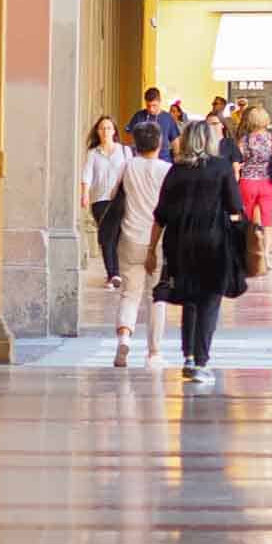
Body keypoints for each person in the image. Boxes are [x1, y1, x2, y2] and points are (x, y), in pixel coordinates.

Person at [146, 118, 244, 384]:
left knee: (189, 298)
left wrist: (151, 249)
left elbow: (161, 214)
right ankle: (201, 361)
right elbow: (236, 206)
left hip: (179, 244)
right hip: (213, 243)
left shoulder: (176, 171)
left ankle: (188, 357)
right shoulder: (222, 167)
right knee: (210, 301)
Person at [111, 119, 170, 367]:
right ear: (159, 143)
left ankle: (124, 337)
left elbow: (114, 196)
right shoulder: (166, 170)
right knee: (156, 296)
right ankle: (154, 352)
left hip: (130, 236)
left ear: (135, 143)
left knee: (130, 293)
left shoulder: (127, 166)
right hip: (157, 240)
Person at [236, 102, 272, 268]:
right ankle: (266, 255)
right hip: (267, 183)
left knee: (247, 220)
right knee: (267, 220)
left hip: (247, 182)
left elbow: (237, 162)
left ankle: (247, 253)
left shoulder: (244, 140)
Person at [80, 115, 129, 287]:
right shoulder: (93, 153)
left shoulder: (125, 151)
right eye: (102, 128)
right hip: (99, 200)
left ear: (114, 131)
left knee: (115, 236)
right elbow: (87, 175)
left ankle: (115, 272)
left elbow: (131, 174)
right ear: (97, 131)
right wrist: (85, 194)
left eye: (108, 128)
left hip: (121, 199)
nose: (105, 131)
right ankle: (113, 274)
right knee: (107, 236)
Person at [124, 86, 180, 163]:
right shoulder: (138, 116)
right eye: (148, 106)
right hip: (141, 162)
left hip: (164, 162)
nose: (151, 109)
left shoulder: (168, 118)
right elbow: (128, 138)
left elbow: (176, 143)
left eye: (154, 105)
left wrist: (177, 162)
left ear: (160, 102)